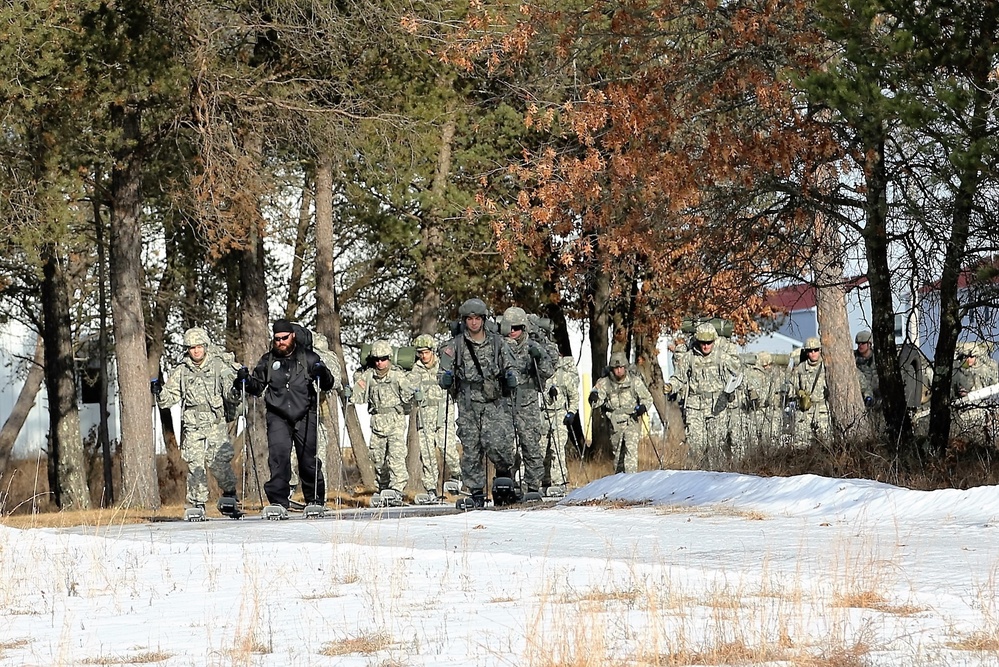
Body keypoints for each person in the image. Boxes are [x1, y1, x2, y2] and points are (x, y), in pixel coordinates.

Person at [235, 319, 334, 510]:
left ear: (293, 336)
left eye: (284, 338)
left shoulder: (309, 357)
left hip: (305, 413)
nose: (281, 342)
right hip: (278, 415)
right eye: (277, 339)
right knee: (278, 459)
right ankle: (278, 502)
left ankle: (314, 500)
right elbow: (257, 387)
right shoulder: (268, 360)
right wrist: (244, 381)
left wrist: (323, 373)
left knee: (308, 460)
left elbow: (327, 384)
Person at [437, 298, 516, 508]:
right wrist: (445, 379)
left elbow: (510, 365)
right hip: (468, 404)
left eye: (477, 318)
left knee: (499, 443)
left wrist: (510, 376)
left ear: (483, 319)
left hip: (494, 402)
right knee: (471, 449)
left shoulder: (498, 342)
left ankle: (503, 481)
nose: (473, 323)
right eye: (470, 319)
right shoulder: (455, 346)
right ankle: (476, 491)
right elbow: (442, 373)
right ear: (465, 320)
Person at [153, 327, 240, 514]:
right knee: (195, 464)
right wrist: (159, 392)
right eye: (192, 347)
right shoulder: (182, 371)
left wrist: (237, 389)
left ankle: (230, 494)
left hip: (215, 422)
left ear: (205, 346)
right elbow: (169, 397)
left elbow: (229, 393)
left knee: (218, 462)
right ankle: (197, 503)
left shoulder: (218, 366)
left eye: (199, 346)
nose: (196, 351)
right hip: (192, 423)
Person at [666, 323, 742, 469]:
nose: (706, 346)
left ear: (714, 341)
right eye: (703, 343)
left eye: (709, 343)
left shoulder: (722, 357)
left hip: (717, 407)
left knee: (716, 447)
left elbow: (738, 373)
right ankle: (699, 478)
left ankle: (716, 479)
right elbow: (679, 378)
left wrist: (733, 386)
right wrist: (670, 386)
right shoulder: (689, 358)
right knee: (697, 445)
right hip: (695, 407)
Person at [501, 306, 554, 495]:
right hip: (504, 402)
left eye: (516, 328)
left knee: (531, 446)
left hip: (528, 403)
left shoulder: (533, 346)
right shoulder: (499, 346)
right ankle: (506, 485)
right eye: (509, 327)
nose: (512, 331)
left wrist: (539, 359)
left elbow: (547, 372)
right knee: (504, 447)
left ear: (524, 328)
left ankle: (532, 486)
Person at [351, 340, 413, 497]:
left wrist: (415, 393)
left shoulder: (398, 376)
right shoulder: (369, 376)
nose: (380, 362)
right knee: (378, 460)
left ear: (389, 358)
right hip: (377, 423)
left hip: (395, 422)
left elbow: (409, 395)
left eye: (383, 358)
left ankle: (397, 489)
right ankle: (384, 488)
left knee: (396, 457)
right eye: (377, 359)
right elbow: (357, 395)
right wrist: (350, 393)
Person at [406, 334, 461, 497]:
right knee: (427, 453)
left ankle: (457, 476)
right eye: (420, 352)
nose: (424, 356)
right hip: (424, 416)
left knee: (448, 449)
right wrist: (412, 394)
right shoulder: (415, 370)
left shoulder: (444, 365)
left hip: (444, 415)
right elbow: (406, 389)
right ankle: (431, 488)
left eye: (426, 352)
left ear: (433, 351)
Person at [589, 352, 654, 474]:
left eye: (621, 368)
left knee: (631, 454)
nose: (619, 371)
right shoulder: (604, 383)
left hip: (631, 420)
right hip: (615, 424)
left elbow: (648, 398)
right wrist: (593, 397)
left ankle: (631, 482)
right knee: (618, 456)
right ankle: (619, 483)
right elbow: (595, 402)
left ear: (625, 367)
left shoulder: (634, 381)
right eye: (616, 368)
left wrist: (643, 407)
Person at [541, 354, 580, 493]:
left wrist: (571, 412)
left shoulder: (563, 376)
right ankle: (543, 480)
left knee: (557, 447)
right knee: (541, 449)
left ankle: (559, 481)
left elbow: (574, 395)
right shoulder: (539, 373)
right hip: (542, 414)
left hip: (559, 414)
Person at [791, 336, 830, 448]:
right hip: (805, 412)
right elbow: (792, 386)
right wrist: (799, 393)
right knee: (801, 446)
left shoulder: (826, 367)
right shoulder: (800, 368)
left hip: (822, 412)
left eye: (816, 350)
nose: (813, 353)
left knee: (825, 445)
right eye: (810, 350)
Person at [854, 330, 878, 407]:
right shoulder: (853, 358)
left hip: (879, 398)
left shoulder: (878, 358)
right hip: (862, 398)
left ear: (869, 344)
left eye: (863, 343)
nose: (860, 345)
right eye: (858, 343)